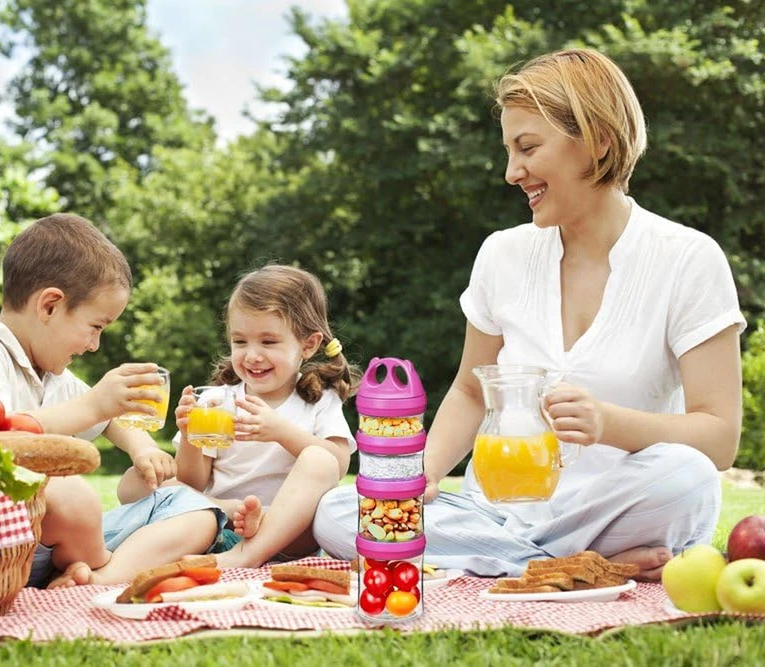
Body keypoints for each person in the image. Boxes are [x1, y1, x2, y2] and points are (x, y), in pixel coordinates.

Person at [313, 48, 746, 581]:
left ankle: (511, 558)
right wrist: (423, 474)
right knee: (338, 512)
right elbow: (470, 391)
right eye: (508, 151)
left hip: (620, 505)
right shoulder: (503, 254)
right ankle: (563, 565)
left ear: (598, 141)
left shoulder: (687, 259)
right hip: (495, 510)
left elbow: (719, 438)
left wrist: (608, 423)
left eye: (527, 148)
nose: (511, 172)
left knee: (688, 477)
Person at [0, 213, 226, 587]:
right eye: (96, 327)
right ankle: (97, 566)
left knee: (198, 511)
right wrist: (93, 405)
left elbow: (110, 419)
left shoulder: (51, 374)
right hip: (2, 544)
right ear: (49, 306)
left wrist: (142, 448)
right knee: (71, 494)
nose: (94, 345)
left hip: (60, 544)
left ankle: (95, 576)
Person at [113, 264, 361, 568]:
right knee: (134, 482)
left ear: (308, 345)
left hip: (289, 535)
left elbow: (337, 465)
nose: (252, 355)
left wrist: (280, 431)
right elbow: (192, 482)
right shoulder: (216, 401)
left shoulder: (319, 399)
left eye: (268, 342)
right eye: (240, 341)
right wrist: (190, 437)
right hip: (221, 527)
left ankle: (248, 555)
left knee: (319, 459)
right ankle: (226, 514)